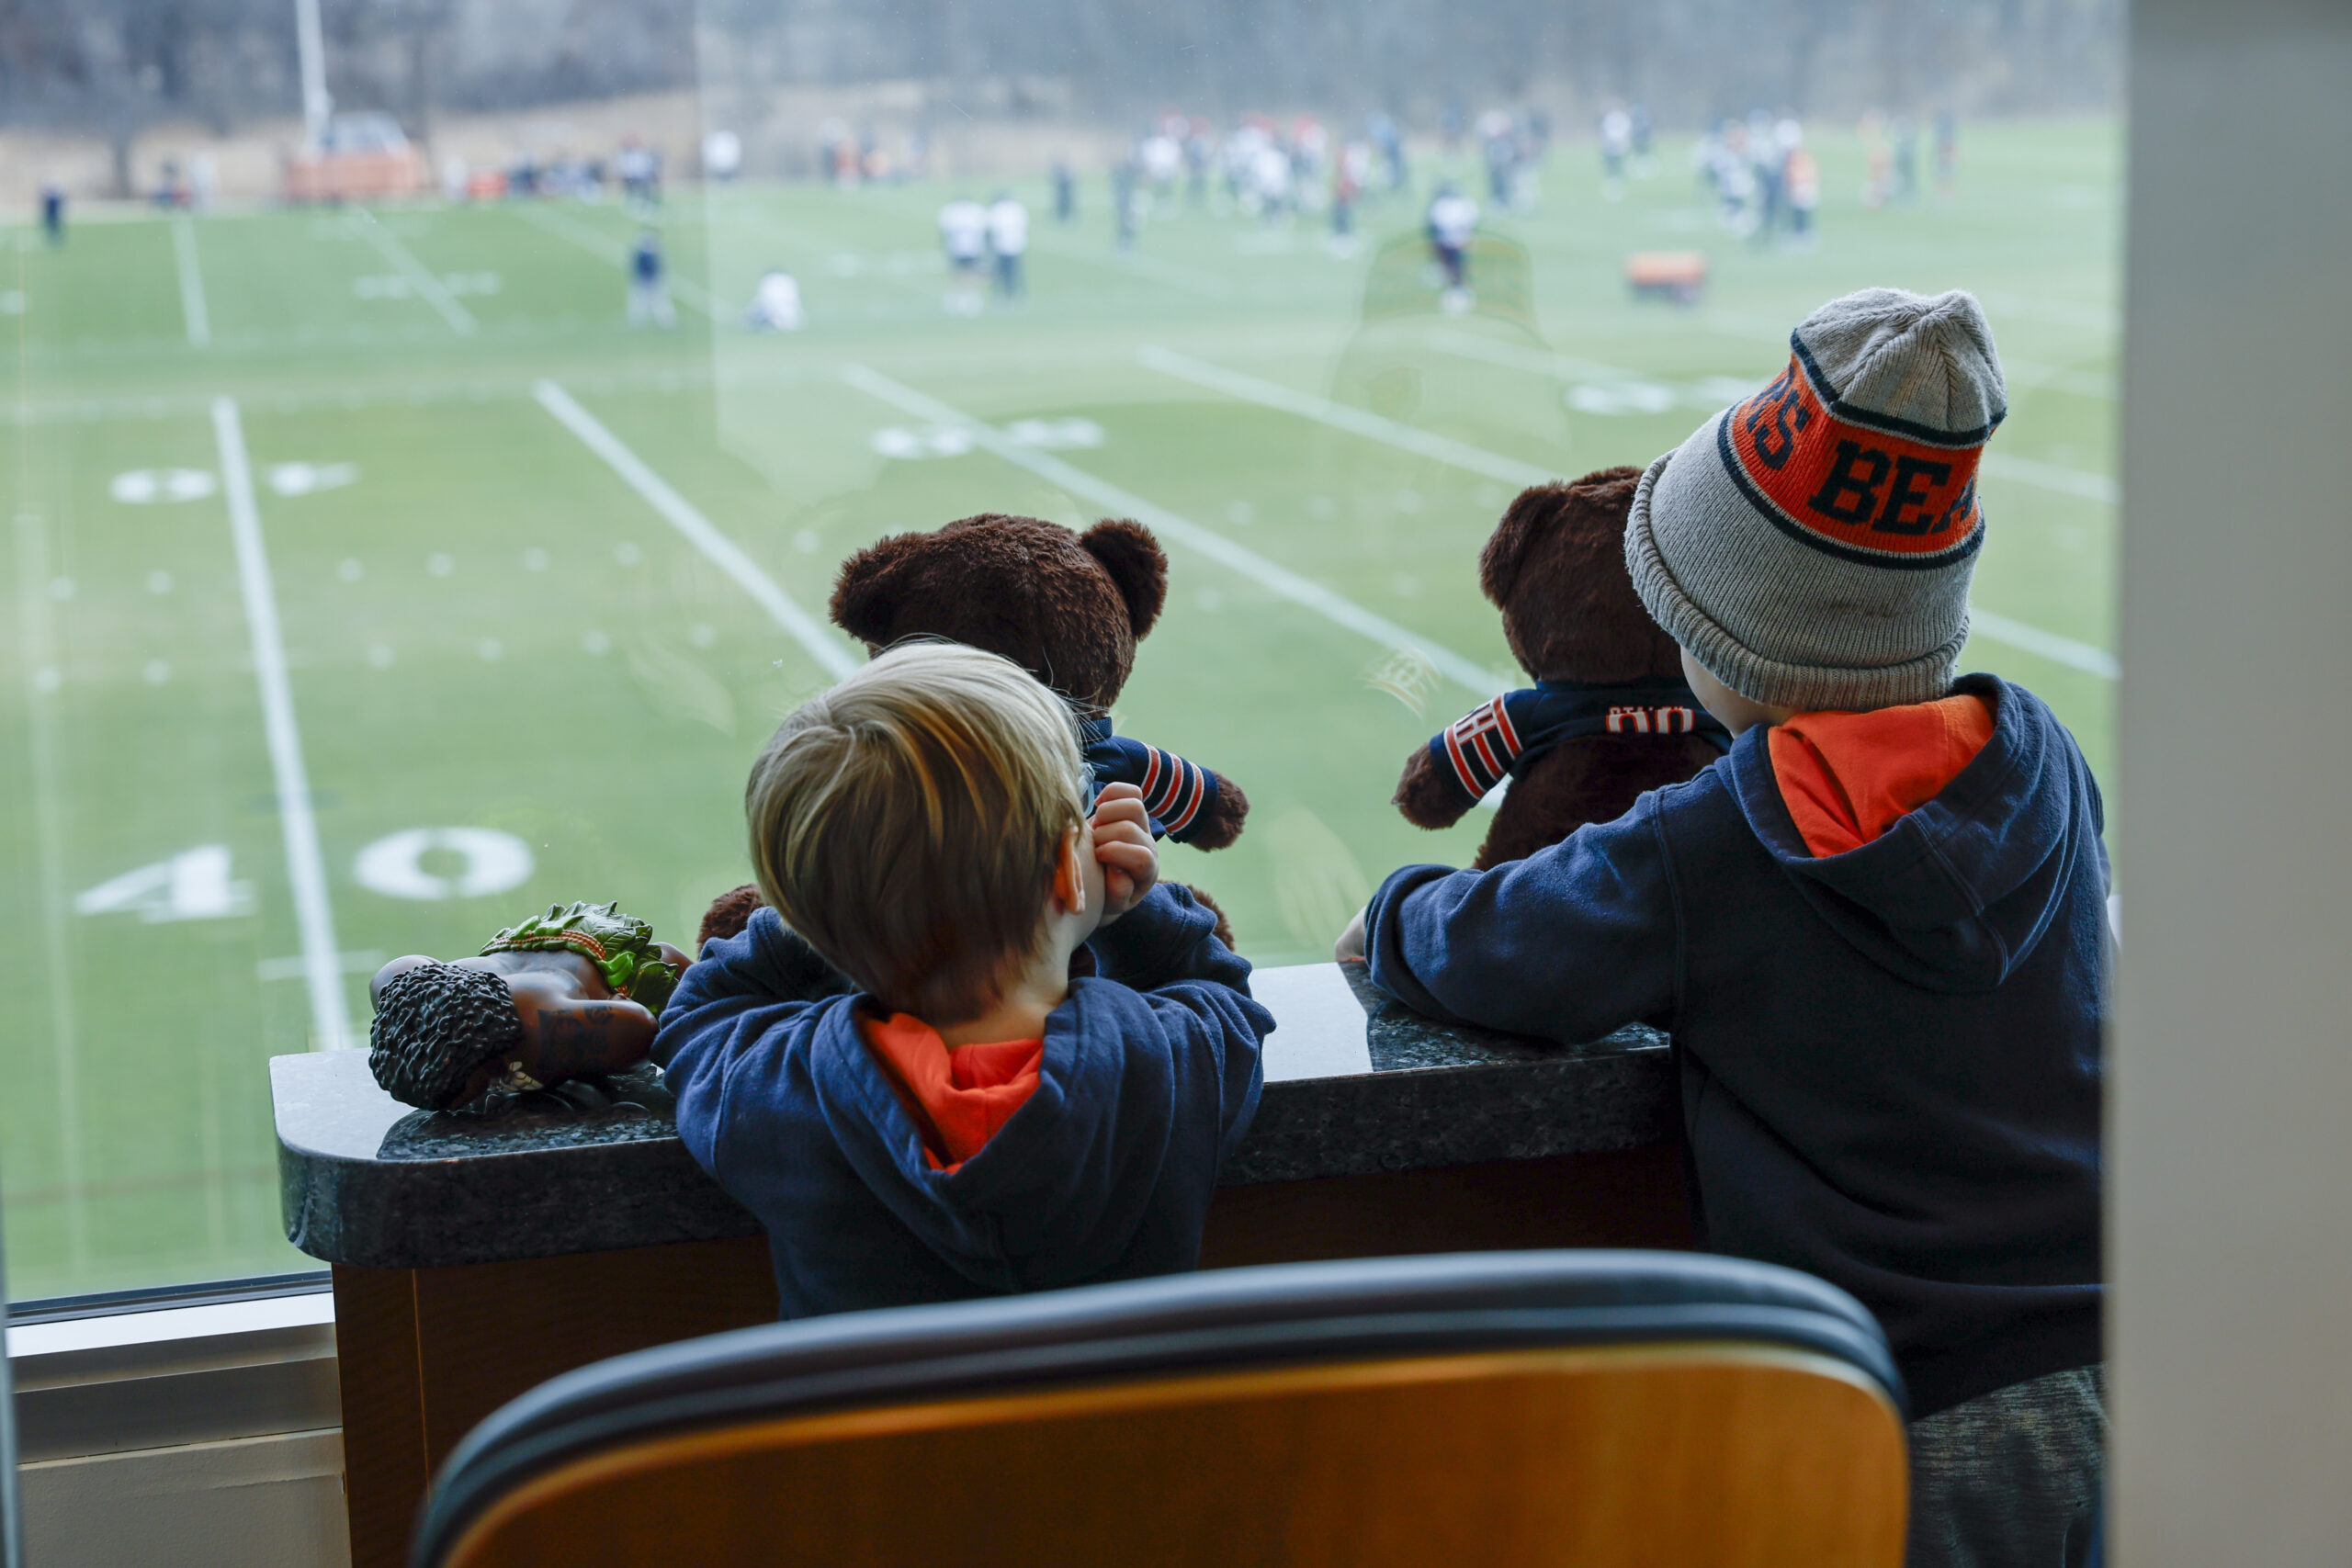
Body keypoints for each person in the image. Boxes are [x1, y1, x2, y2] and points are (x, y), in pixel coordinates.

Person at [1340, 288, 2105, 1568]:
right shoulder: (2046, 760)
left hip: (1899, 1409)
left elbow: (1504, 946)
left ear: (1731, 640)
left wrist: (1393, 912)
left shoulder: (1723, 839)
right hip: (2121, 1362)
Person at [658, 643, 1271, 1319]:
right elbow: (1221, 989)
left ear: (807, 921)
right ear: (1072, 871)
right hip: (1118, 1430)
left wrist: (824, 910)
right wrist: (1127, 911)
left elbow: (699, 1014)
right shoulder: (1170, 1061)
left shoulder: (782, 1092)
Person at [1425, 182, 1478, 309]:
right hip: (1454, 241)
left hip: (1453, 241)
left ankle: (1458, 291)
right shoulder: (1462, 206)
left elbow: (1435, 227)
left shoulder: (1443, 207)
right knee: (1453, 266)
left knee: (1456, 267)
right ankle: (1456, 288)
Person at [937, 194, 988, 313]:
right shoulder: (969, 212)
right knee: (961, 273)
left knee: (967, 273)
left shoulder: (957, 213)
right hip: (962, 248)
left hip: (968, 248)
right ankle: (957, 297)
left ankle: (968, 298)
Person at [627, 228, 673, 328]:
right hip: (646, 281)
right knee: (643, 302)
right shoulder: (647, 252)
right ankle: (638, 321)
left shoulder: (645, 252)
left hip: (649, 281)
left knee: (656, 302)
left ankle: (666, 321)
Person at [987, 190, 1028, 300]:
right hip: (1016, 244)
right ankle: (1017, 293)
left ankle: (1001, 294)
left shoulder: (996, 210)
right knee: (1015, 271)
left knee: (1000, 272)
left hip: (1001, 245)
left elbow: (993, 229)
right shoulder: (1017, 208)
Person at [746, 267, 803, 331]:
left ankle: (771, 322)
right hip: (789, 315)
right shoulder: (789, 280)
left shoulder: (768, 280)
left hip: (775, 313)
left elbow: (764, 301)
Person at [40, 182, 64, 246]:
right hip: (52, 215)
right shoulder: (53, 198)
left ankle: (55, 238)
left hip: (53, 215)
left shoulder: (52, 198)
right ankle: (53, 238)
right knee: (52, 228)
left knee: (54, 228)